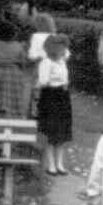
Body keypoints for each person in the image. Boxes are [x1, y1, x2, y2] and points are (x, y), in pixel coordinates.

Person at [35, 34, 73, 175]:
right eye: (60, 48)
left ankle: (59, 164)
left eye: (63, 47)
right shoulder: (46, 63)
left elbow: (67, 53)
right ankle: (51, 164)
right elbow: (43, 81)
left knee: (62, 131)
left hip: (63, 96)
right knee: (51, 131)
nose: (63, 50)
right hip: (50, 96)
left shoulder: (62, 61)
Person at [0, 18, 29, 117]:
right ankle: (15, 109)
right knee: (15, 92)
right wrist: (22, 70)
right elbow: (23, 61)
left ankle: (1, 108)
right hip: (15, 72)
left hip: (0, 70)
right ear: (13, 34)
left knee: (0, 91)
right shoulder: (18, 46)